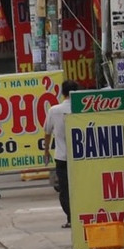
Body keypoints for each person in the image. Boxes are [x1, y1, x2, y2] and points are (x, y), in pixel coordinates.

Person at [42, 79, 78, 228]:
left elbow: (47, 132)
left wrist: (46, 151)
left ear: (62, 93)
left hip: (62, 157)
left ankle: (70, 218)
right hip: (80, 158)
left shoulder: (54, 110)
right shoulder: (81, 107)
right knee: (80, 187)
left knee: (65, 189)